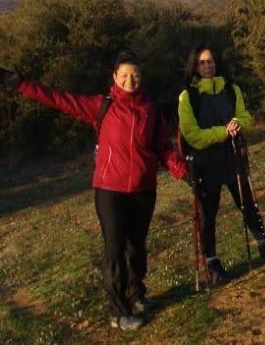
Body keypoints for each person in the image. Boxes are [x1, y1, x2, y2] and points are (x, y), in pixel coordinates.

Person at [0, 51, 188, 331]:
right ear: (114, 78)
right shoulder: (103, 105)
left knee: (136, 247)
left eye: (134, 75)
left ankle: (137, 297)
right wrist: (20, 83)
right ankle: (118, 311)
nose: (130, 80)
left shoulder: (151, 108)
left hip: (143, 189)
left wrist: (183, 172)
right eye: (124, 75)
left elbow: (162, 146)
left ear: (141, 77)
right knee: (114, 249)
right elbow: (58, 99)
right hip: (109, 190)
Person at [178, 45, 265, 284]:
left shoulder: (232, 90)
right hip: (205, 164)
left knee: (247, 203)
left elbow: (246, 117)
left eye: (210, 61)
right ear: (195, 66)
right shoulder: (187, 97)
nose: (207, 66)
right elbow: (192, 135)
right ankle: (212, 263)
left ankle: (264, 244)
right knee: (207, 216)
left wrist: (239, 124)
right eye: (202, 62)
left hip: (233, 158)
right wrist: (224, 132)